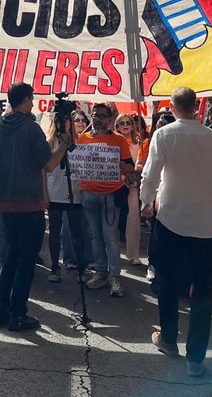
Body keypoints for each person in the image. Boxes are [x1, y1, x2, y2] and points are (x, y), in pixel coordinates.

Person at [140, 87, 212, 378]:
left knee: (166, 280)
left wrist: (145, 202)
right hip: (204, 224)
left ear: (172, 106)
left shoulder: (164, 135)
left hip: (170, 219)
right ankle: (196, 357)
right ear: (196, 107)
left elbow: (150, 174)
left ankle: (168, 337)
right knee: (202, 289)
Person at [0, 82, 71, 332]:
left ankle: (1, 309)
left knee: (11, 259)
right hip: (28, 205)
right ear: (25, 100)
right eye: (32, 98)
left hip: (4, 203)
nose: (34, 103)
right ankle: (17, 313)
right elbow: (48, 165)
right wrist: (65, 146)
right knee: (25, 261)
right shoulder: (31, 128)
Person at [76, 104, 134, 297]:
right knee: (95, 236)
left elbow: (129, 167)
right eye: (95, 115)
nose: (98, 118)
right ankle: (101, 273)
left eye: (102, 115)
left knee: (110, 238)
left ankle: (115, 276)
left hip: (110, 195)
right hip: (89, 195)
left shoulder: (119, 140)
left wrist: (118, 165)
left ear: (110, 119)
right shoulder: (83, 138)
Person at [44, 114, 84, 283]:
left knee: (77, 232)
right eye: (61, 121)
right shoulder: (50, 142)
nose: (65, 124)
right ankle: (55, 266)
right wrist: (44, 194)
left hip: (74, 193)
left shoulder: (80, 141)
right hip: (55, 193)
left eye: (68, 120)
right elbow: (44, 170)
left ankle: (81, 266)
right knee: (54, 232)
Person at [116, 113, 147, 266]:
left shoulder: (139, 142)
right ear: (117, 126)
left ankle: (133, 254)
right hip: (114, 185)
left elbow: (141, 163)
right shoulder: (113, 141)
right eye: (122, 123)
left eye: (128, 122)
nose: (125, 125)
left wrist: (135, 173)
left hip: (131, 185)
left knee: (134, 217)